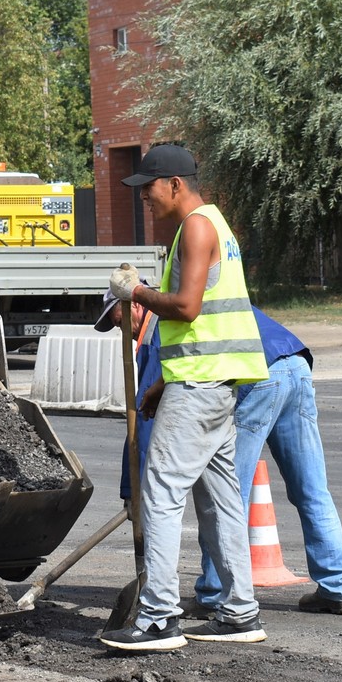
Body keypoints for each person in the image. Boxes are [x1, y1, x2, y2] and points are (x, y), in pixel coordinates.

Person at [99, 143, 268, 652]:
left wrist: (136, 292)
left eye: (148, 188)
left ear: (175, 185)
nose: (144, 198)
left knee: (162, 493)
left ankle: (157, 619)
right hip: (211, 383)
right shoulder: (215, 225)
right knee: (220, 503)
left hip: (201, 388)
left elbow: (188, 308)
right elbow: (205, 325)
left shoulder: (195, 227)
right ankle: (239, 612)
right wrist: (162, 381)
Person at [191, 308, 342, 615]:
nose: (125, 330)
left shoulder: (175, 310)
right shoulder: (216, 289)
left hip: (258, 374)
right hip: (295, 364)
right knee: (312, 490)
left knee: (227, 493)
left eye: (118, 320)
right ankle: (339, 587)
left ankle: (216, 591)